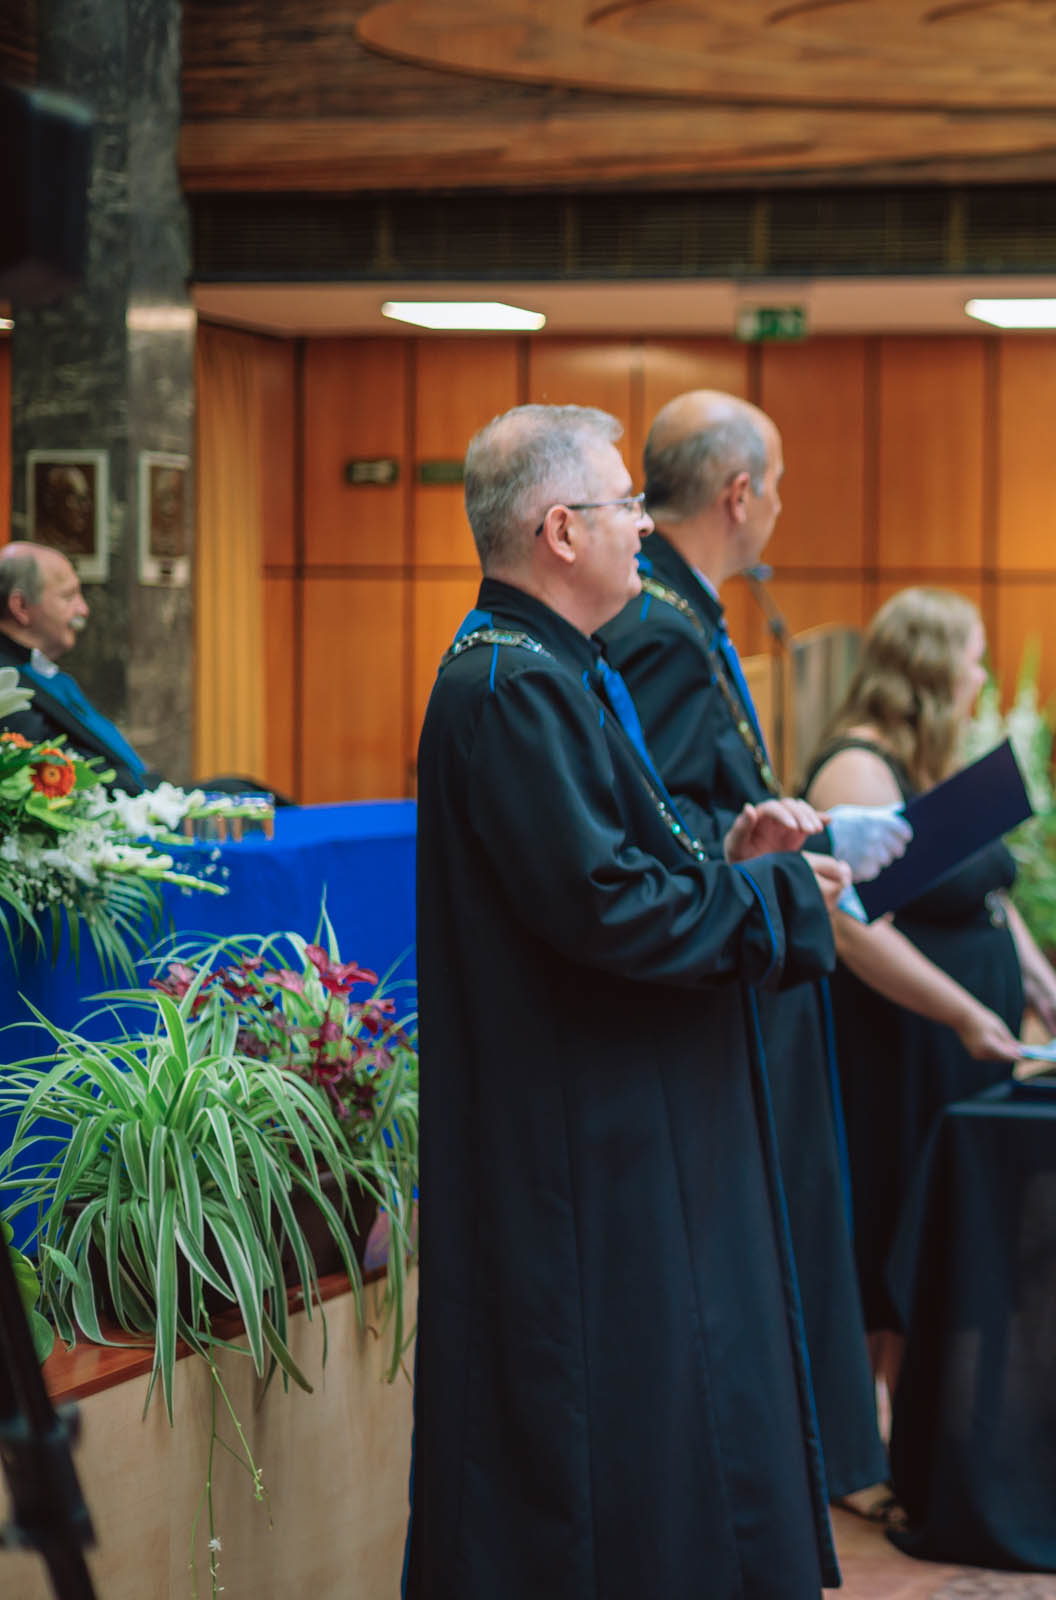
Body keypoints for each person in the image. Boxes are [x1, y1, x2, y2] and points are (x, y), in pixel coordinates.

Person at [408, 403, 854, 1599]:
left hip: (606, 1117)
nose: (645, 526)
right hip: (572, 1142)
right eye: (625, 506)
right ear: (561, 530)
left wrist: (732, 858)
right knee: (592, 1444)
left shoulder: (557, 666)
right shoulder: (512, 685)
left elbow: (617, 864)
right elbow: (603, 910)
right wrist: (772, 904)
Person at [594, 390, 916, 1512]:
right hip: (721, 984)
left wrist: (808, 831)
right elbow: (661, 821)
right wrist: (771, 846)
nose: (778, 506)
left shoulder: (683, 613)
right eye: (774, 485)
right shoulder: (658, 626)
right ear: (739, 495)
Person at [800, 589, 1056, 1410]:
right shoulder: (858, 768)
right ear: (929, 667)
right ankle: (872, 1442)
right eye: (973, 658)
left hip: (953, 1045)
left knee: (939, 1242)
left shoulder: (929, 761)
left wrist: (1045, 988)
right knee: (891, 1233)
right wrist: (963, 1011)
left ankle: (925, 1430)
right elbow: (849, 926)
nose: (981, 677)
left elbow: (990, 899)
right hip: (900, 1045)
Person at [0, 541, 149, 788]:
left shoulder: (45, 671)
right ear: (21, 606)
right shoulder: (5, 683)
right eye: (68, 596)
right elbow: (68, 774)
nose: (84, 609)